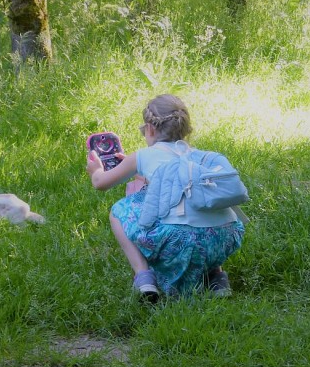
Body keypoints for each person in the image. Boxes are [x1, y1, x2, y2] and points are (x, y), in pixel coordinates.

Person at [86, 94, 245, 301]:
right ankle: (216, 279)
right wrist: (135, 169)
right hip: (225, 237)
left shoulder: (142, 155)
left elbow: (101, 183)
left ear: (150, 128)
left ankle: (143, 277)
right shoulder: (199, 156)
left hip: (180, 240)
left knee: (118, 211)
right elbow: (171, 181)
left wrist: (96, 169)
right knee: (201, 203)